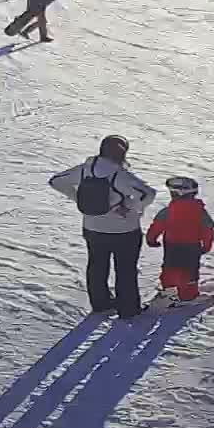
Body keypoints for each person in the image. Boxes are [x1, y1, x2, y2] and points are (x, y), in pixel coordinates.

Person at [48, 135, 156, 319]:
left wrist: (79, 199)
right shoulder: (119, 175)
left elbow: (56, 181)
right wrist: (130, 208)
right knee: (125, 270)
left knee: (96, 266)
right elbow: (148, 194)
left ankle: (101, 304)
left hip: (92, 228)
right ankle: (129, 309)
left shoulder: (84, 170)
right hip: (124, 231)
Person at [147, 176, 214, 303]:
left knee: (170, 266)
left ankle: (168, 288)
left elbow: (157, 226)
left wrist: (151, 239)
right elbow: (208, 229)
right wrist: (206, 245)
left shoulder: (167, 211)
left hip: (172, 245)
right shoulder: (201, 213)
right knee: (190, 270)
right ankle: (188, 294)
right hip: (192, 246)